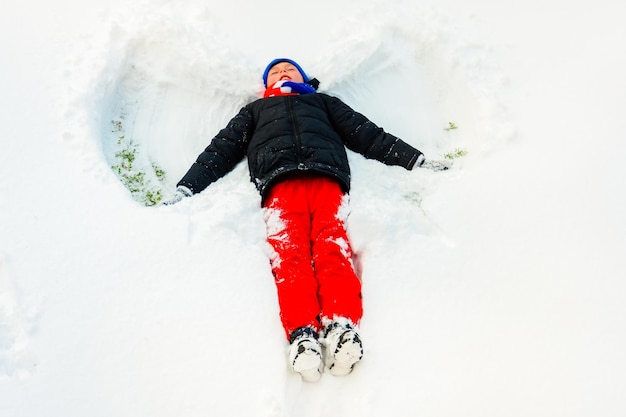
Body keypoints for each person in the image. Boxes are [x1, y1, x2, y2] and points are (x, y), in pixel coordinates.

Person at [162, 58, 450, 382]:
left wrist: (415, 159)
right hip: (280, 188)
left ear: (304, 77)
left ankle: (341, 326)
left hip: (328, 183)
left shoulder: (322, 103)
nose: (283, 73)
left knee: (332, 248)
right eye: (275, 71)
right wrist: (187, 187)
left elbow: (367, 134)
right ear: (265, 84)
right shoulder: (255, 112)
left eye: (289, 69)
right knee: (290, 255)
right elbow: (221, 150)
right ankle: (303, 335)